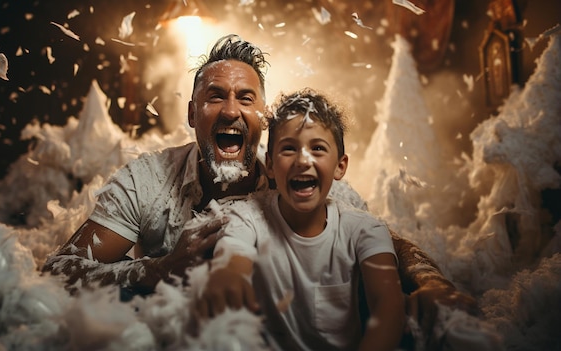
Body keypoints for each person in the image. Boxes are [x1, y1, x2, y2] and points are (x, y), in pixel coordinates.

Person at [41, 33, 477, 338]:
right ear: (193, 115)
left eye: (246, 98)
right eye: (215, 97)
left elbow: (389, 244)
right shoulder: (148, 179)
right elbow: (56, 274)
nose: (231, 110)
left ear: (263, 119)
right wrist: (157, 269)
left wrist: (431, 283)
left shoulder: (296, 178)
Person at [196, 88, 405, 350]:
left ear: (340, 166)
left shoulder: (364, 229)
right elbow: (232, 260)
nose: (303, 160)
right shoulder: (247, 217)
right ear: (270, 165)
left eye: (317, 148)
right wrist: (229, 276)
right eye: (289, 149)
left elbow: (388, 308)